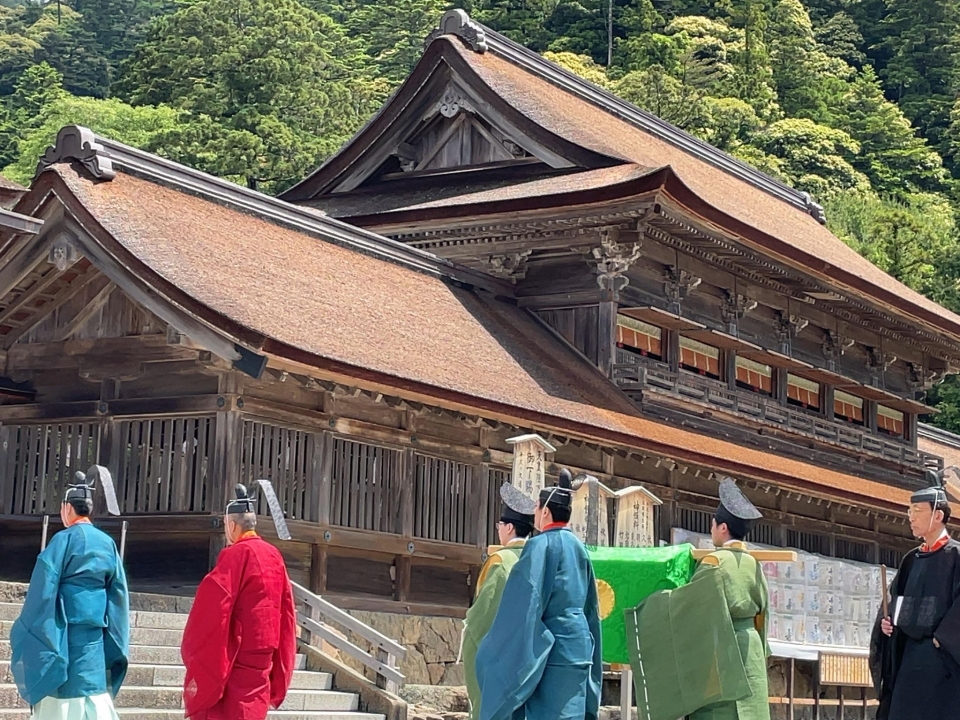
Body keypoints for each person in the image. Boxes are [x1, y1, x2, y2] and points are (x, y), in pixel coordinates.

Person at [475, 468, 602, 720]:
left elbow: (526, 602)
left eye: (536, 508)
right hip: (580, 647)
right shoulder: (579, 548)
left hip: (553, 650)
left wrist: (493, 648)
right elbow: (591, 607)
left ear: (545, 511)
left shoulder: (540, 545)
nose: (534, 514)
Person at [10, 471, 129, 720]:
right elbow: (118, 597)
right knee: (95, 700)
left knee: (59, 703)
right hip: (95, 642)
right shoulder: (108, 544)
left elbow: (41, 595)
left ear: (67, 509)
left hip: (63, 640)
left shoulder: (62, 541)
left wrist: (24, 631)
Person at [181, 483, 297, 720]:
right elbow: (287, 611)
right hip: (264, 661)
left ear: (232, 525)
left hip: (237, 662)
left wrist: (194, 649)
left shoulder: (235, 555)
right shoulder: (275, 556)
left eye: (226, 526)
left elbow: (214, 609)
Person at [869, 471, 960, 720]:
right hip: (908, 652)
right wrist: (887, 623)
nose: (911, 518)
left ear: (938, 515)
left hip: (942, 658)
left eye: (917, 511)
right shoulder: (912, 558)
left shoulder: (956, 556)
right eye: (910, 511)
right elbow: (896, 600)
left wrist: (942, 640)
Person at [689, 478, 770, 720]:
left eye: (713, 524)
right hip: (751, 647)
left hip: (722, 647)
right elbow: (763, 614)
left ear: (723, 528)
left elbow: (694, 611)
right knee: (750, 708)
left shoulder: (714, 562)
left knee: (721, 710)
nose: (711, 529)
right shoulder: (753, 564)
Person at [462, 483, 536, 720]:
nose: (498, 530)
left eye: (500, 525)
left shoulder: (500, 560)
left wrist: (469, 633)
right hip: (528, 652)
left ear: (510, 527)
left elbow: (483, 615)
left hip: (498, 653)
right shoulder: (536, 559)